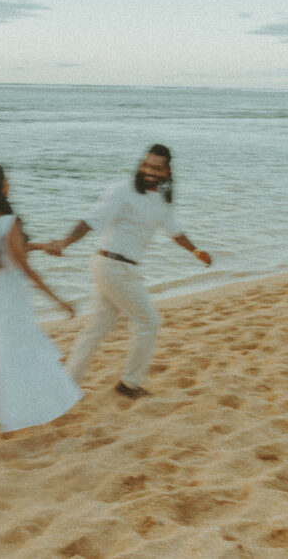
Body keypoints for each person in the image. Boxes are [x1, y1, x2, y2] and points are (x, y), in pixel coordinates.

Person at [48, 144, 212, 399]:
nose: (148, 171)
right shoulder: (122, 190)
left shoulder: (161, 200)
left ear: (166, 171)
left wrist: (195, 251)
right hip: (113, 266)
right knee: (149, 322)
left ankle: (67, 385)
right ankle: (130, 383)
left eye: (156, 167)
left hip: (119, 267)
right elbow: (91, 220)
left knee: (97, 327)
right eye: (145, 164)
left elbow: (175, 231)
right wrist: (65, 242)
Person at [0, 164, 83, 458]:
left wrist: (41, 246)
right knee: (1, 365)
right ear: (0, 185)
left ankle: (4, 427)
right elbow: (22, 264)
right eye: (6, 178)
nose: (10, 182)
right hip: (9, 301)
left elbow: (7, 249)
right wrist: (59, 300)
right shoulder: (8, 219)